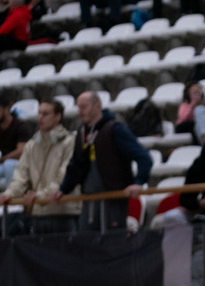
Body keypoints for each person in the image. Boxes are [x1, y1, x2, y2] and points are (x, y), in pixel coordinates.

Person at [50, 91, 153, 232]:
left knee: (113, 242)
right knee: (88, 243)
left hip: (113, 198)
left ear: (97, 106)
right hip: (89, 198)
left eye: (84, 107)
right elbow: (76, 164)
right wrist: (63, 189)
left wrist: (139, 182)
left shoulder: (115, 129)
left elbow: (143, 157)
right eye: (78, 107)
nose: (79, 112)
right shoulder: (81, 132)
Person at [0, 99, 75, 234]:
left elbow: (65, 178)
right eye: (39, 113)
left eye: (45, 114)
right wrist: (9, 194)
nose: (40, 118)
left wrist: (39, 195)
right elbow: (21, 176)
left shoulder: (70, 142)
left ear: (58, 117)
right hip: (36, 213)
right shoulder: (31, 145)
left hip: (62, 213)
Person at [0, 94, 31, 189]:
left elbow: (21, 151)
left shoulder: (20, 126)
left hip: (19, 164)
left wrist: (3, 159)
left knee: (9, 164)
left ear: (7, 109)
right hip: (2, 164)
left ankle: (12, 199)